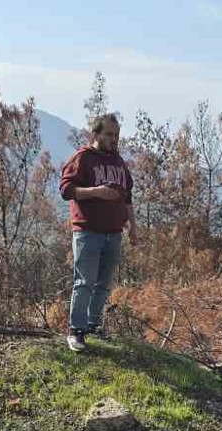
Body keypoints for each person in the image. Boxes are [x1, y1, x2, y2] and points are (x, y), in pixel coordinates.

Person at [59, 113, 135, 353]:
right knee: (84, 282)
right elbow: (67, 189)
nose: (114, 139)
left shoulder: (119, 162)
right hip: (88, 232)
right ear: (96, 134)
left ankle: (92, 325)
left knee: (103, 284)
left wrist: (133, 226)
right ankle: (76, 331)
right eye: (110, 134)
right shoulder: (83, 158)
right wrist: (97, 192)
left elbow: (128, 197)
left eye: (117, 135)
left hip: (114, 233)